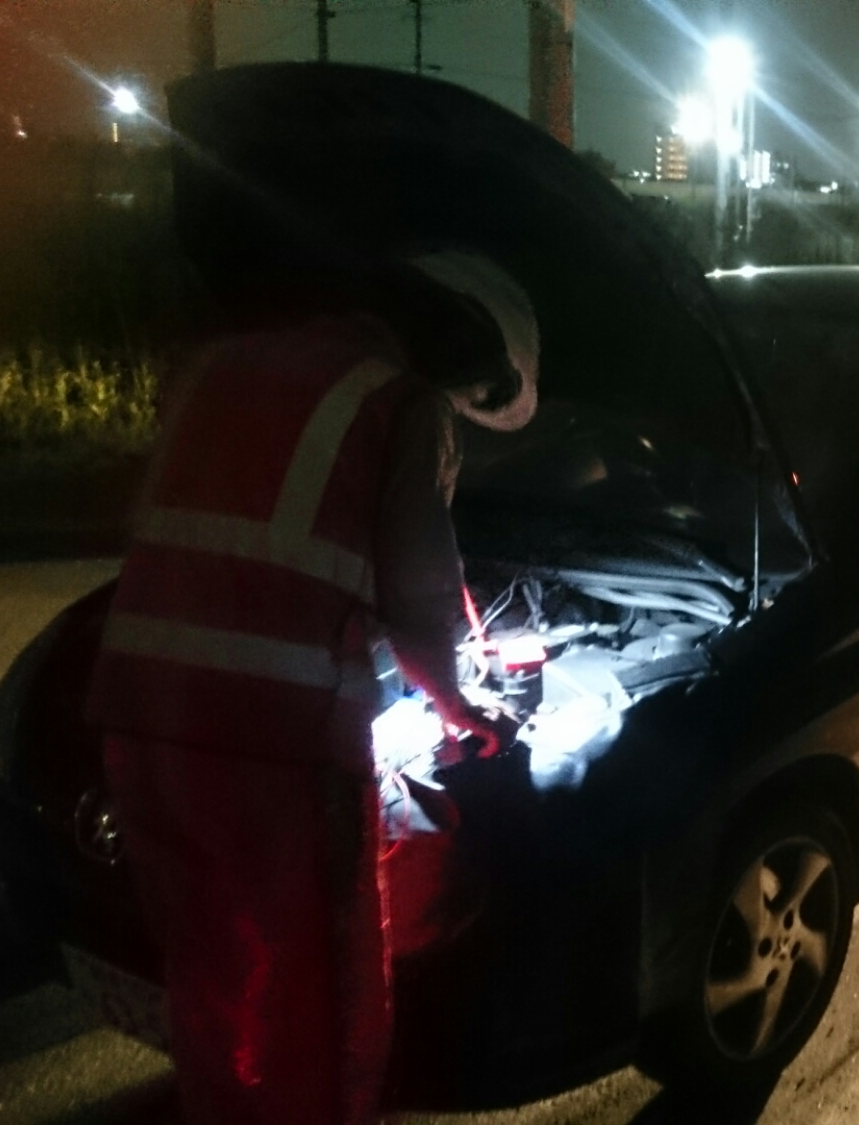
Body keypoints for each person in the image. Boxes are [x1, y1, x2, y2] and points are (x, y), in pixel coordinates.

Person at [85, 250, 539, 1124]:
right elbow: (419, 595)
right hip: (273, 746)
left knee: (210, 977)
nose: (461, 408)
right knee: (321, 998)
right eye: (471, 392)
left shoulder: (224, 366)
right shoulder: (401, 403)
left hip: (139, 715)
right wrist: (460, 706)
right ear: (457, 344)